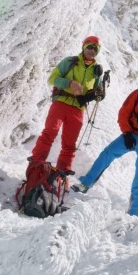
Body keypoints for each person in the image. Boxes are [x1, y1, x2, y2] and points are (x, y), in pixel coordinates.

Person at [74, 65, 138, 216]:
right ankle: (85, 183)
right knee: (107, 153)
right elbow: (124, 113)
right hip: (131, 134)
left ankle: (135, 210)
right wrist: (126, 133)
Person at [28, 35, 105, 174]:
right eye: (90, 47)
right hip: (61, 103)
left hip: (78, 109)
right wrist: (69, 83)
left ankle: (62, 173)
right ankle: (36, 164)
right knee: (49, 133)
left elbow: (98, 91)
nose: (92, 50)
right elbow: (52, 79)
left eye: (96, 48)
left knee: (70, 144)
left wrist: (100, 93)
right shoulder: (70, 61)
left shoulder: (97, 70)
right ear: (84, 47)